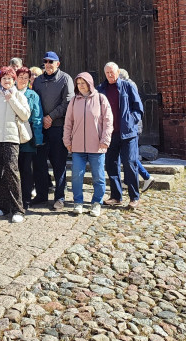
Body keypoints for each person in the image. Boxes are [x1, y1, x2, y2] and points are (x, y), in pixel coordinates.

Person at [63, 73, 113, 217]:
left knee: (98, 176)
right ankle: (78, 202)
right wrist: (67, 141)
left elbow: (108, 122)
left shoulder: (101, 99)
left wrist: (105, 140)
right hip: (77, 147)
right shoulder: (74, 101)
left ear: (90, 83)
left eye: (83, 83)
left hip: (97, 146)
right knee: (77, 176)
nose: (81, 86)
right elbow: (68, 123)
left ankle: (96, 203)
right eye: (78, 83)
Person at [97, 61, 144, 209]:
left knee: (130, 163)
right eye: (107, 73)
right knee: (111, 165)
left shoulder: (127, 86)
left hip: (128, 133)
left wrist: (131, 121)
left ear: (118, 72)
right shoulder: (101, 89)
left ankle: (134, 197)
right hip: (110, 134)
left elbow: (138, 108)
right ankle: (116, 196)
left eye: (112, 72)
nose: (110, 75)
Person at [0, 66, 30, 223]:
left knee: (12, 171)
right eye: (3, 78)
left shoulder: (19, 96)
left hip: (11, 138)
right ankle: (2, 205)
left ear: (13, 80)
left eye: (9, 79)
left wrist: (11, 99)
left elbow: (25, 115)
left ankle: (18, 208)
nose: (6, 81)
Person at [32, 51, 74, 210]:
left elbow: (68, 101)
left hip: (58, 127)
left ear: (58, 64)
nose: (48, 64)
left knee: (59, 164)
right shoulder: (38, 81)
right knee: (40, 163)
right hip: (41, 129)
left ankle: (60, 197)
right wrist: (42, 118)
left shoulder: (65, 79)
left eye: (51, 62)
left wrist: (51, 117)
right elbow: (34, 101)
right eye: (46, 61)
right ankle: (42, 195)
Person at [119, 68, 153, 192]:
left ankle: (146, 176)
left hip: (131, 127)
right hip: (131, 126)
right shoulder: (130, 84)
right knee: (127, 156)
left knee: (129, 157)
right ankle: (127, 182)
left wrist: (130, 122)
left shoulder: (128, 86)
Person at [15, 66, 43, 210]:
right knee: (12, 170)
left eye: (26, 78)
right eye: (21, 77)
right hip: (11, 137)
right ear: (16, 78)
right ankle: (12, 198)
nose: (24, 80)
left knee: (26, 170)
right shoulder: (10, 93)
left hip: (27, 138)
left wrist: (37, 138)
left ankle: (25, 200)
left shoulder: (33, 95)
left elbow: (37, 117)